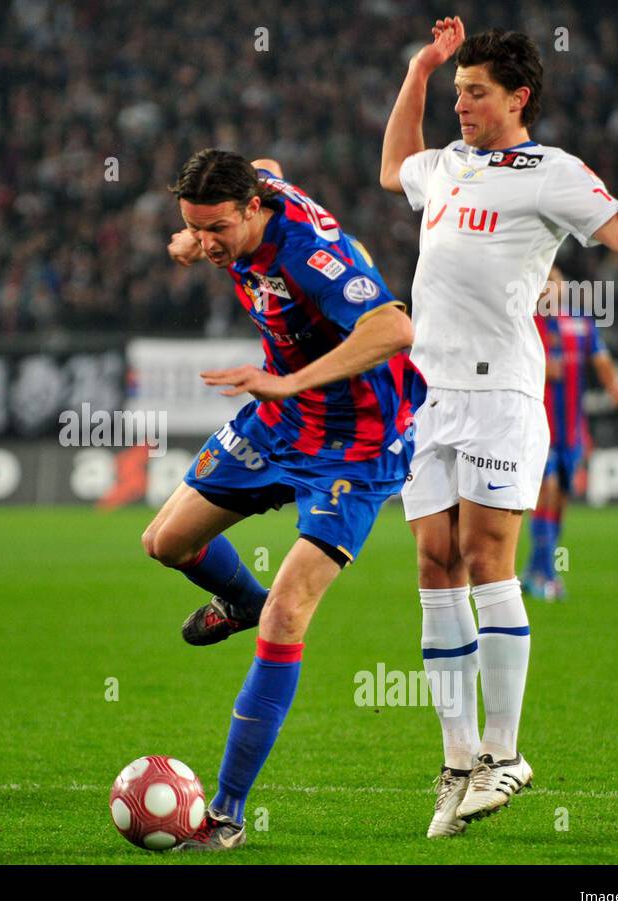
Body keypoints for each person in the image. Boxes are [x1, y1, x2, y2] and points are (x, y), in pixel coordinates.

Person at [379, 17, 618, 835]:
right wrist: (420, 70)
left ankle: (506, 753)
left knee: (486, 559)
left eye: (474, 92)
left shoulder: (547, 172)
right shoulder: (443, 166)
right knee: (434, 564)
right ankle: (457, 760)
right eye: (456, 93)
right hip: (427, 394)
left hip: (501, 393)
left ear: (518, 97)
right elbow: (390, 167)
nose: (461, 105)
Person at [142, 148, 425, 850]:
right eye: (193, 228)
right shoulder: (252, 190)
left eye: (216, 230)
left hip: (356, 444)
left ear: (253, 209)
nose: (207, 244)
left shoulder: (309, 256)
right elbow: (262, 159)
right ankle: (238, 599)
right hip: (279, 421)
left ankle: (227, 813)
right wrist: (192, 238)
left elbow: (394, 327)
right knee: (165, 543)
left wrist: (293, 382)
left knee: (288, 610)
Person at [524, 266, 618, 601]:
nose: (549, 288)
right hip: (538, 429)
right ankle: (547, 575)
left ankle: (534, 570)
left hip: (572, 431)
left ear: (564, 287)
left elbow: (600, 358)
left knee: (561, 502)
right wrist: (537, 367)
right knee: (547, 493)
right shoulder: (527, 324)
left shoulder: (581, 323)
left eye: (554, 281)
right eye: (544, 283)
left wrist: (614, 388)